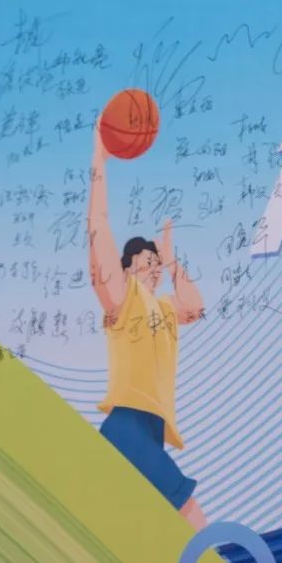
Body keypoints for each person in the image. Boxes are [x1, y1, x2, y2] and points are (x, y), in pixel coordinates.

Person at [87, 122, 208, 530]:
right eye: (147, 261)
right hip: (127, 427)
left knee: (149, 532)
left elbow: (195, 305)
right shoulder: (124, 299)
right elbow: (99, 226)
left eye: (156, 263)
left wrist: (170, 260)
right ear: (126, 269)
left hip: (152, 429)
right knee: (190, 516)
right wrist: (100, 160)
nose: (154, 268)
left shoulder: (165, 307)